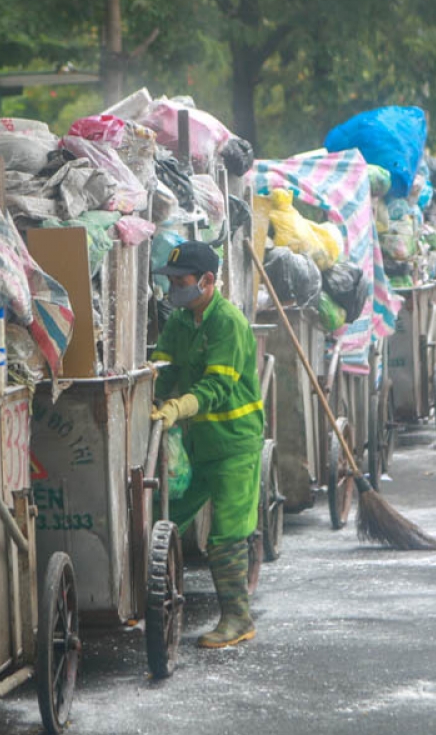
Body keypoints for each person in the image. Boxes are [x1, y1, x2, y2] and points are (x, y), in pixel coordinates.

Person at [150, 241, 264, 649]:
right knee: (163, 515)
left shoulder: (227, 323)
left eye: (181, 282)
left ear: (208, 281)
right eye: (172, 281)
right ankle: (151, 600)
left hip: (234, 444)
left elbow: (217, 386)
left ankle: (238, 619)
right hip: (195, 445)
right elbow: (164, 368)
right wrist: (150, 396)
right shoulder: (180, 321)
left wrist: (178, 406)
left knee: (225, 535)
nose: (174, 289)